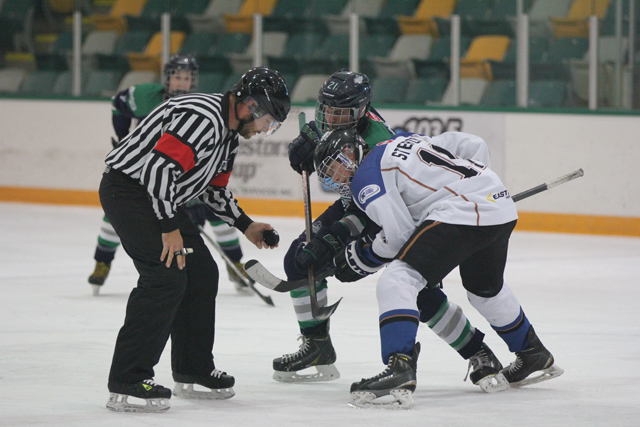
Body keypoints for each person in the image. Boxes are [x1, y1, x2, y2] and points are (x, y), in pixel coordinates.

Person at [275, 69, 507, 394]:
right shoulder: (348, 121)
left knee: (417, 291)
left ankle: (478, 352)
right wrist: (312, 144)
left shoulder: (376, 138)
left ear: (359, 113)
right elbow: (337, 160)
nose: (330, 118)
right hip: (358, 201)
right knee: (298, 259)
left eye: (339, 114)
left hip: (386, 210)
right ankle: (317, 344)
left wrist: (336, 238)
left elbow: (373, 212)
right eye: (326, 111)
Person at [304, 128, 564, 408]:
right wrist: (477, 188)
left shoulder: (366, 177)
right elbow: (473, 144)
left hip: (462, 211)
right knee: (485, 290)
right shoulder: (401, 141)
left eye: (334, 169)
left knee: (398, 280)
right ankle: (532, 351)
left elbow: (397, 237)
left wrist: (358, 259)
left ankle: (399, 367)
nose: (334, 179)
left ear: (348, 153)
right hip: (498, 205)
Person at [100, 66, 290, 413]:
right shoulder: (201, 117)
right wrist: (169, 227)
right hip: (129, 193)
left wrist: (246, 224)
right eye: (269, 122)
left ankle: (192, 367)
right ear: (250, 105)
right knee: (164, 277)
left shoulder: (230, 135)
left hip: (160, 198)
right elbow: (157, 170)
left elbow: (214, 190)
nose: (266, 130)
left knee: (202, 272)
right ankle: (128, 377)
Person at [88, 55, 249, 294]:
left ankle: (235, 264)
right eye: (177, 77)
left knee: (213, 211)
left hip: (186, 175)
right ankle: (102, 262)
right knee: (115, 215)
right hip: (146, 172)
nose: (182, 83)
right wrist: (122, 139)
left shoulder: (201, 105)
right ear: (167, 79)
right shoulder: (146, 96)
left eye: (187, 78)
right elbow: (118, 103)